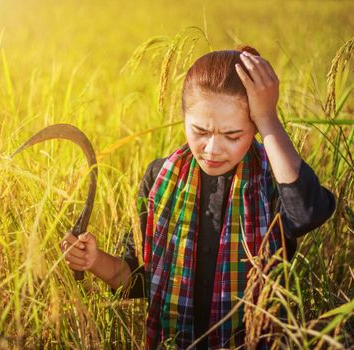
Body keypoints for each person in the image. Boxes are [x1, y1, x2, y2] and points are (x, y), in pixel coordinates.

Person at [59, 45, 336, 349]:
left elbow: (307, 212)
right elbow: (135, 280)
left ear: (255, 127)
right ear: (183, 117)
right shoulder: (159, 179)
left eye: (233, 136)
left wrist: (268, 116)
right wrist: (95, 260)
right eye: (201, 131)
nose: (213, 149)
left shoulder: (272, 181)